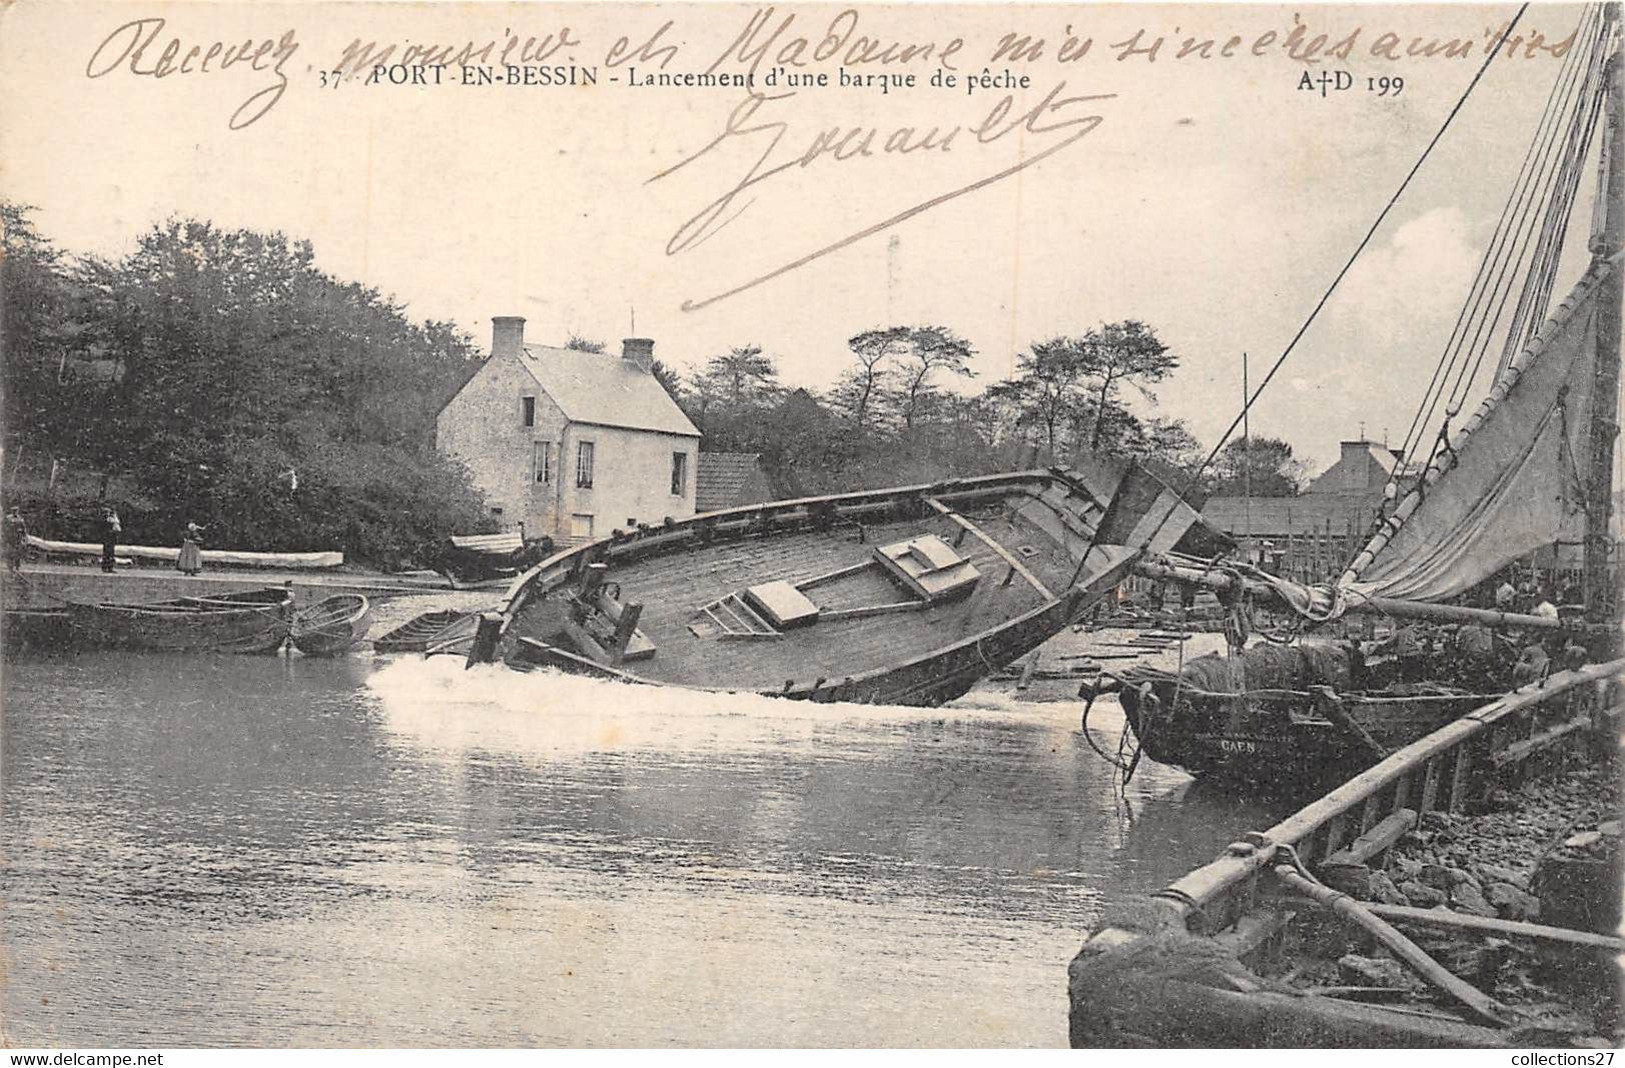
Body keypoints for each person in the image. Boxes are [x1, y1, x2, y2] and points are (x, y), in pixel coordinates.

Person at [3, 507, 27, 573]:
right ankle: (10, 566)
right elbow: (4, 528)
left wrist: (24, 537)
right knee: (10, 552)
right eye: (14, 511)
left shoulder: (20, 519)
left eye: (16, 511)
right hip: (10, 538)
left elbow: (24, 529)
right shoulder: (8, 518)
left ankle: (17, 566)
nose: (15, 512)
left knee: (18, 553)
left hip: (17, 538)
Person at [99, 506, 121, 574]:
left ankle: (110, 567)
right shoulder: (106, 519)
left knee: (111, 553)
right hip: (108, 537)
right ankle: (105, 567)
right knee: (107, 553)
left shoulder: (112, 519)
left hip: (112, 537)